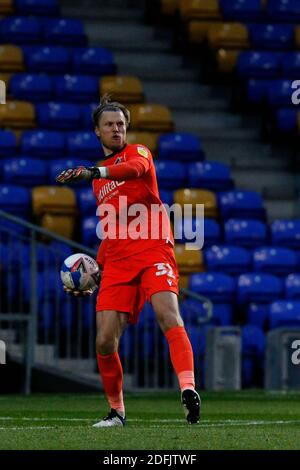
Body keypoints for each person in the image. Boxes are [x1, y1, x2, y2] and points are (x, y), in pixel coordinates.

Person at [56, 95, 201, 427]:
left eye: (121, 124)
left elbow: (132, 171)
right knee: (105, 339)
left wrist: (95, 170)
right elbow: (111, 227)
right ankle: (117, 411)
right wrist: (95, 270)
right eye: (109, 124)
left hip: (153, 251)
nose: (116, 128)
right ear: (97, 131)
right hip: (119, 259)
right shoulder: (99, 182)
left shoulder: (138, 154)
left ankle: (188, 390)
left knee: (168, 313)